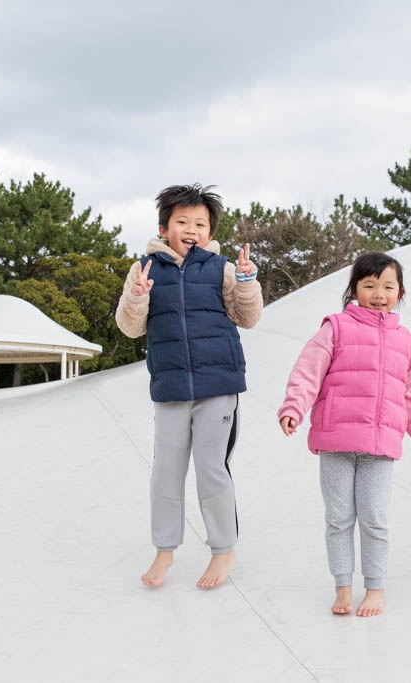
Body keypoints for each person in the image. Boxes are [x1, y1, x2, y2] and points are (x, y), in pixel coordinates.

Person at [277, 252, 411, 618]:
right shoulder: (336, 328)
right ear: (354, 289)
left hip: (380, 445)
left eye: (388, 286)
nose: (379, 293)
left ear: (400, 292)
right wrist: (294, 407)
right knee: (338, 518)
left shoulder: (404, 339)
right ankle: (342, 586)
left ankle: (374, 588)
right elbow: (308, 371)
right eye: (369, 285)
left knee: (374, 517)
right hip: (336, 442)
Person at [115, 184, 263, 589]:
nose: (191, 228)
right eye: (182, 221)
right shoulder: (144, 269)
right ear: (164, 228)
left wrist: (248, 283)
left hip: (219, 384)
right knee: (166, 471)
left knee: (212, 469)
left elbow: (247, 318)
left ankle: (223, 549)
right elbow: (129, 328)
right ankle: (165, 551)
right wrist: (137, 296)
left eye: (200, 223)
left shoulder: (223, 268)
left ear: (210, 232)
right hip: (171, 386)